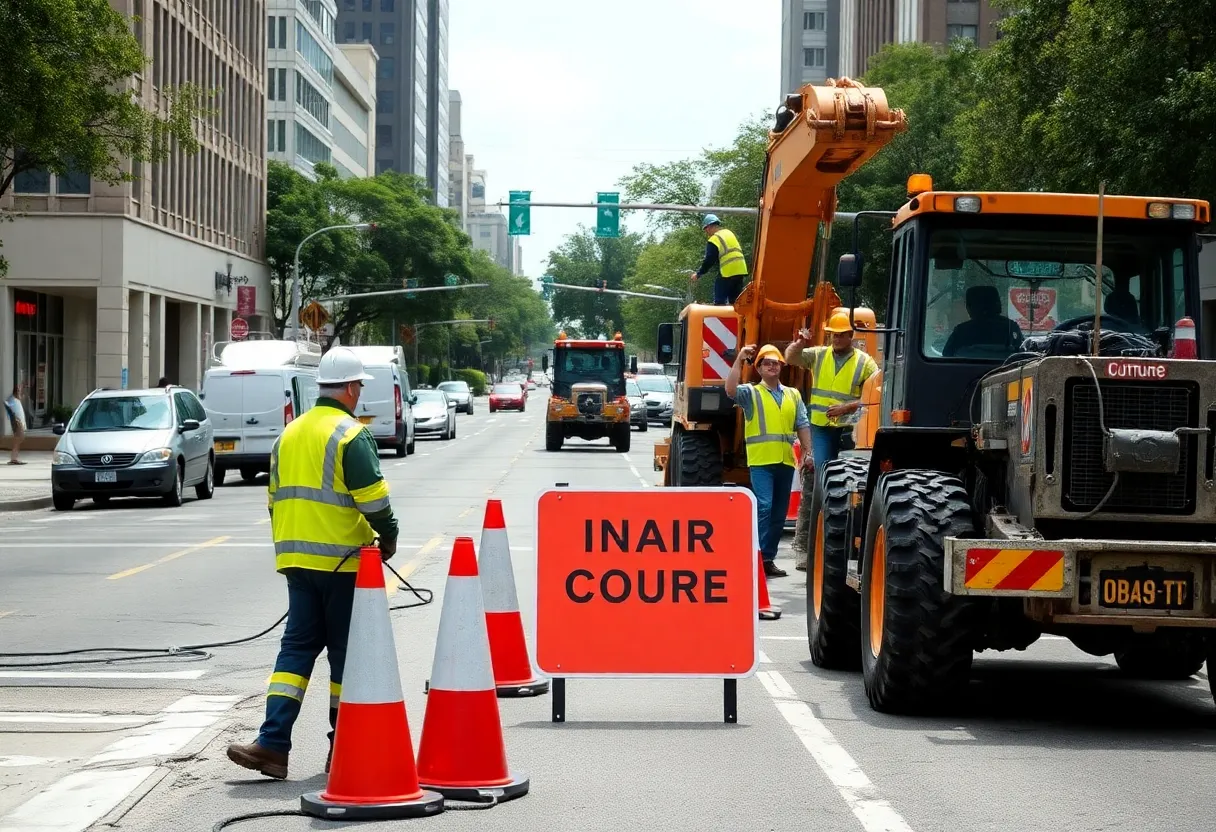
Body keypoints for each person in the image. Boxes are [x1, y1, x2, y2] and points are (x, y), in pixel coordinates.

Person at [226, 347, 399, 780]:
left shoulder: (290, 433)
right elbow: (374, 501)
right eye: (359, 387)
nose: (359, 394)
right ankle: (341, 748)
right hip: (342, 564)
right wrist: (390, 536)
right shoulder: (349, 434)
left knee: (296, 652)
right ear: (350, 388)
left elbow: (273, 499)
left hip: (297, 561)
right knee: (343, 656)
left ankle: (272, 744)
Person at [726, 343, 812, 578]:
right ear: (759, 368)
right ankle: (755, 555)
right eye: (767, 363)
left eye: (776, 363)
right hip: (761, 461)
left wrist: (808, 452)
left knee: (778, 513)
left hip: (785, 462)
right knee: (764, 506)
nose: (772, 366)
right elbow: (730, 389)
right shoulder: (751, 393)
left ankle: (767, 559)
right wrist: (739, 359)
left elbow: (802, 424)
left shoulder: (793, 394)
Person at [785, 311, 880, 472]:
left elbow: (877, 394)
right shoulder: (819, 354)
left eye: (841, 335)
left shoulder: (865, 362)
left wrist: (846, 407)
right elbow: (790, 358)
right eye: (833, 335)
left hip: (851, 426)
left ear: (850, 335)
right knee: (823, 470)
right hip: (822, 426)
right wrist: (798, 344)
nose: (836, 339)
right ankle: (824, 497)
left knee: (851, 471)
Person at [689, 214, 749, 305]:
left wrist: (698, 274)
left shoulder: (714, 239)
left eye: (705, 229)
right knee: (735, 303)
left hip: (728, 271)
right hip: (740, 270)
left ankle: (720, 315)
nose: (706, 232)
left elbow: (709, 260)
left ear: (708, 227)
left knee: (719, 301)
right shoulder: (729, 233)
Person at [5, 384, 26, 466]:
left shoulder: (16, 399)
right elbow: (11, 411)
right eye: (19, 390)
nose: (20, 392)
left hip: (20, 422)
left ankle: (15, 458)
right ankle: (14, 458)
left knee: (20, 439)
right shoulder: (12, 400)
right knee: (18, 439)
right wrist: (16, 420)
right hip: (17, 423)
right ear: (16, 391)